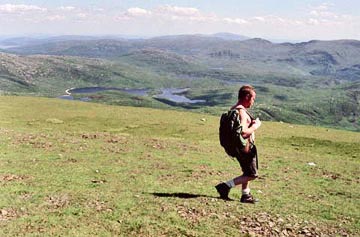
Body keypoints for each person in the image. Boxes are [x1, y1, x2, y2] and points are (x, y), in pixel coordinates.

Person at [215, 85, 262, 203]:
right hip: (245, 149)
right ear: (247, 97)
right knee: (252, 174)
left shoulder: (233, 109)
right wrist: (255, 126)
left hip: (237, 148)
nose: (253, 102)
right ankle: (225, 186)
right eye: (253, 99)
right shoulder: (241, 112)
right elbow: (244, 133)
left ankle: (246, 195)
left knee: (246, 172)